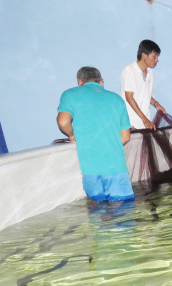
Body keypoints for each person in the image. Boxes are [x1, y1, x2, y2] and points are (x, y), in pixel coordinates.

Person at [56, 66, 134, 202]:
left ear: (80, 82)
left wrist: (71, 135)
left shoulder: (69, 94)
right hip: (115, 166)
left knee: (97, 212)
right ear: (101, 82)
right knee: (123, 213)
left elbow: (63, 122)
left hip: (89, 168)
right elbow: (125, 137)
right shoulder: (117, 99)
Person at [121, 39, 167, 130]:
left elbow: (145, 95)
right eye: (154, 56)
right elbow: (129, 97)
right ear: (144, 55)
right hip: (130, 124)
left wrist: (156, 103)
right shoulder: (129, 70)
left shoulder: (149, 73)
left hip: (143, 125)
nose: (157, 60)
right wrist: (145, 119)